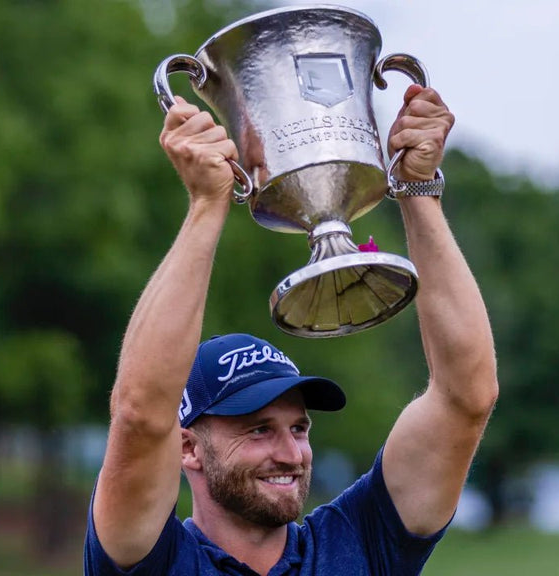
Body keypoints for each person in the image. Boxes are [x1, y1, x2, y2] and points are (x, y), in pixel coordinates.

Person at [84, 84, 498, 575]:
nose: (291, 454)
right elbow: (140, 413)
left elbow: (466, 396)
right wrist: (208, 203)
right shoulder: (152, 560)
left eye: (298, 428)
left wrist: (417, 188)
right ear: (189, 447)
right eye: (259, 430)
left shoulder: (360, 541)